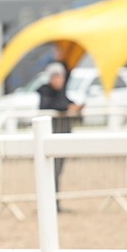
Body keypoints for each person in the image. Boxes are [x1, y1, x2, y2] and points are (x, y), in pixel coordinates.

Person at [36, 62, 81, 201]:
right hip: (50, 138)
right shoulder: (45, 91)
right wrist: (67, 107)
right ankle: (51, 202)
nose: (58, 80)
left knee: (57, 171)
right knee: (52, 172)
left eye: (60, 77)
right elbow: (48, 106)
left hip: (62, 136)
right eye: (55, 77)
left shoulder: (62, 94)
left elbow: (67, 104)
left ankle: (55, 202)